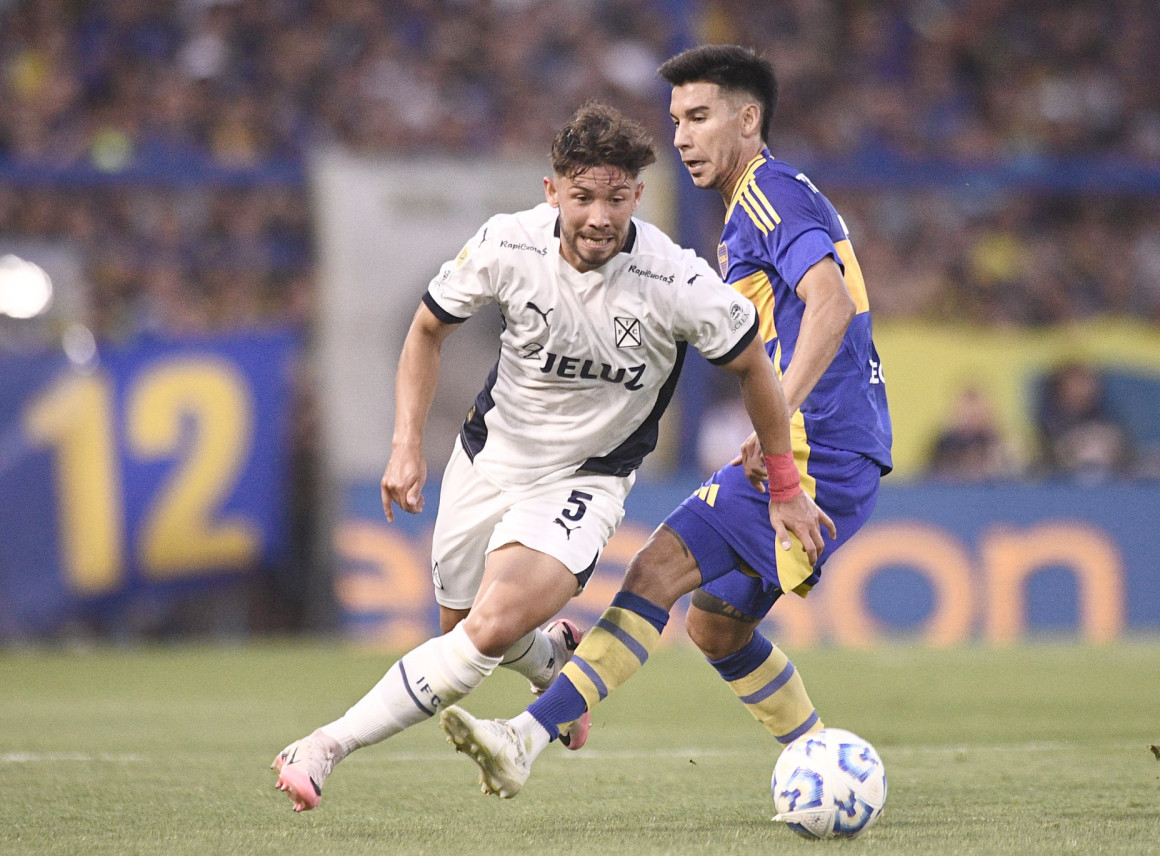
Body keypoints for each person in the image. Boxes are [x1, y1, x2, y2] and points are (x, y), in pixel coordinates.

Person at [269, 100, 829, 812]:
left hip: (587, 478)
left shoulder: (676, 281)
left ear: (638, 196)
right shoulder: (508, 246)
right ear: (552, 192)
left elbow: (754, 366)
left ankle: (323, 746)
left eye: (618, 198)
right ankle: (555, 658)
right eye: (584, 196)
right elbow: (425, 331)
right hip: (489, 459)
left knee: (487, 631)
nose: (599, 216)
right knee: (468, 631)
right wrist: (407, 442)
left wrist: (785, 483)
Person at [441, 44, 892, 799]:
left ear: (748, 119)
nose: (681, 136)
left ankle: (525, 738)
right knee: (716, 628)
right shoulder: (769, 198)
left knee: (654, 570)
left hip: (816, 449)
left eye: (699, 116)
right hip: (847, 450)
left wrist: (779, 415)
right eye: (676, 119)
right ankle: (826, 766)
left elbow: (832, 302)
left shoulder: (764, 194)